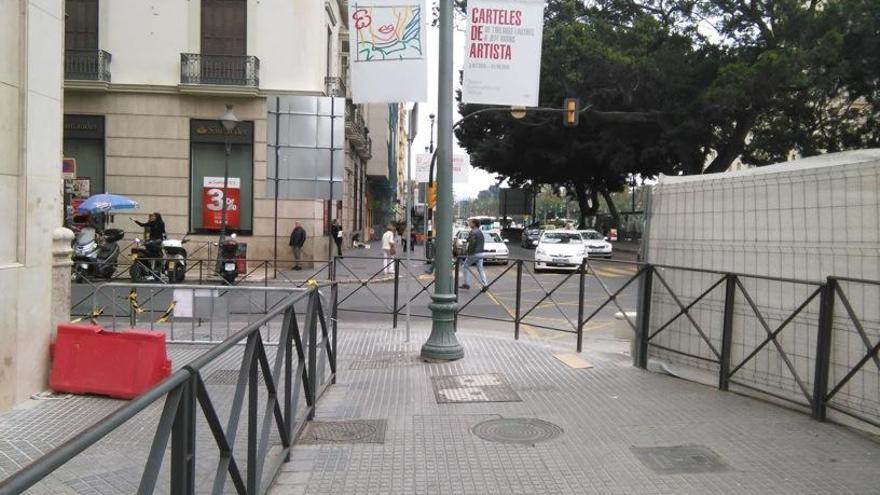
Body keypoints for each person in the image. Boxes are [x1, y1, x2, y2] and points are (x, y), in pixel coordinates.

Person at [460, 218, 487, 290]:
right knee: (480, 269)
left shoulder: (473, 232)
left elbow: (472, 243)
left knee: (465, 266)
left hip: (474, 253)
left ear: (474, 224)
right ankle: (485, 284)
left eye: (470, 222)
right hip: (481, 253)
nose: (469, 223)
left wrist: (467, 253)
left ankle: (466, 283)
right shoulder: (480, 232)